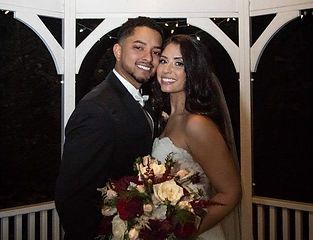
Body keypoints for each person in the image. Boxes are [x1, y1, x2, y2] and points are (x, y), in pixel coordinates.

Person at [55, 17, 163, 240]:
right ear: (118, 50)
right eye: (138, 47)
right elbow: (72, 198)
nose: (148, 58)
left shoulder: (141, 100)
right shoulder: (97, 108)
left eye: (155, 52)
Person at [151, 34, 241, 240]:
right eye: (163, 60)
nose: (166, 70)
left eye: (179, 63)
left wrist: (183, 232)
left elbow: (231, 193)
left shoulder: (196, 125)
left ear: (192, 71)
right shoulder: (167, 119)